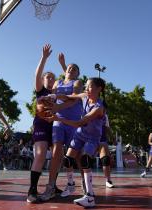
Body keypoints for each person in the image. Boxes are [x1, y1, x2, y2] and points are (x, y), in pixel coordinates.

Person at [45, 77, 106, 207]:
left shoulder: (99, 107)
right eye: (86, 86)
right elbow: (69, 97)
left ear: (99, 89)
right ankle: (71, 185)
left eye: (90, 86)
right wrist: (54, 95)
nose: (87, 89)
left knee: (85, 160)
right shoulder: (85, 96)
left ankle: (89, 197)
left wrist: (58, 118)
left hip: (92, 137)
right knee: (67, 160)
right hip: (80, 135)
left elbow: (80, 122)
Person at [40, 53, 83, 201]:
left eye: (74, 69)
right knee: (56, 152)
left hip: (74, 121)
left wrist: (57, 108)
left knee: (77, 155)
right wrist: (45, 106)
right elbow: (52, 100)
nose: (71, 69)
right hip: (59, 121)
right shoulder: (58, 83)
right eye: (69, 68)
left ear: (78, 74)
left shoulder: (77, 84)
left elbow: (73, 101)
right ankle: (51, 186)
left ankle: (84, 186)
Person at [27, 44, 58, 203]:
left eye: (53, 77)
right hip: (41, 125)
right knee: (40, 155)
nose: (51, 79)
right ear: (43, 80)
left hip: (56, 126)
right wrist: (44, 58)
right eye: (48, 77)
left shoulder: (57, 94)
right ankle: (32, 191)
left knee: (57, 156)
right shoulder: (41, 90)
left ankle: (52, 185)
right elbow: (37, 74)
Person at [98, 103, 115, 188]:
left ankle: (108, 180)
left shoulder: (105, 117)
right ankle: (84, 181)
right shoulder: (88, 113)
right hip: (89, 139)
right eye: (103, 109)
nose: (104, 111)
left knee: (106, 159)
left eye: (105, 110)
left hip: (102, 140)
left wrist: (113, 138)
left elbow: (107, 128)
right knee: (85, 160)